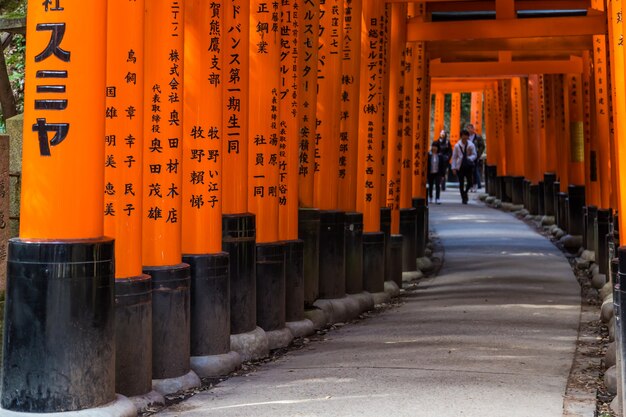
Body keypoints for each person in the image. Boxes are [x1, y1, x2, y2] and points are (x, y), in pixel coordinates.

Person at [451, 129, 477, 204]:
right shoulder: (457, 145)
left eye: (466, 136)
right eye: (463, 136)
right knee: (461, 182)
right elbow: (454, 157)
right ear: (461, 136)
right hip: (460, 166)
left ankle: (465, 192)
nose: (465, 137)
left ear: (468, 137)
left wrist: (469, 158)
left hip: (468, 165)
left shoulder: (471, 145)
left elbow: (474, 155)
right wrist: (453, 167)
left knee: (470, 182)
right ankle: (464, 198)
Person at [466, 124, 485, 192]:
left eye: (470, 128)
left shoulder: (478, 137)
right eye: (468, 129)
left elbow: (482, 146)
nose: (469, 130)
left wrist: (478, 154)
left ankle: (475, 185)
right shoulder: (466, 137)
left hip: (475, 156)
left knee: (474, 171)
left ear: (473, 129)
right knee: (468, 171)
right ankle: (470, 185)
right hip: (467, 156)